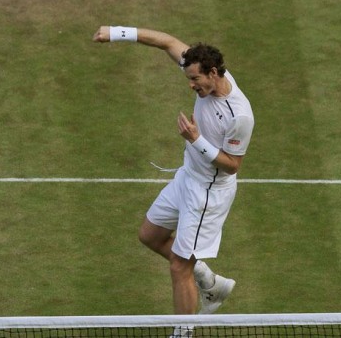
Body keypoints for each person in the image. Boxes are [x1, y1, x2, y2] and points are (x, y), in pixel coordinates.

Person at [92, 26, 255, 318]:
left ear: (214, 73)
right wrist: (115, 32)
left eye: (195, 79)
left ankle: (183, 332)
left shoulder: (239, 116)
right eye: (188, 78)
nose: (191, 85)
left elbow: (233, 166)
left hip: (208, 194)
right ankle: (209, 281)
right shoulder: (200, 66)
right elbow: (165, 41)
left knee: (180, 267)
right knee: (150, 235)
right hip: (187, 177)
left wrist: (196, 140)